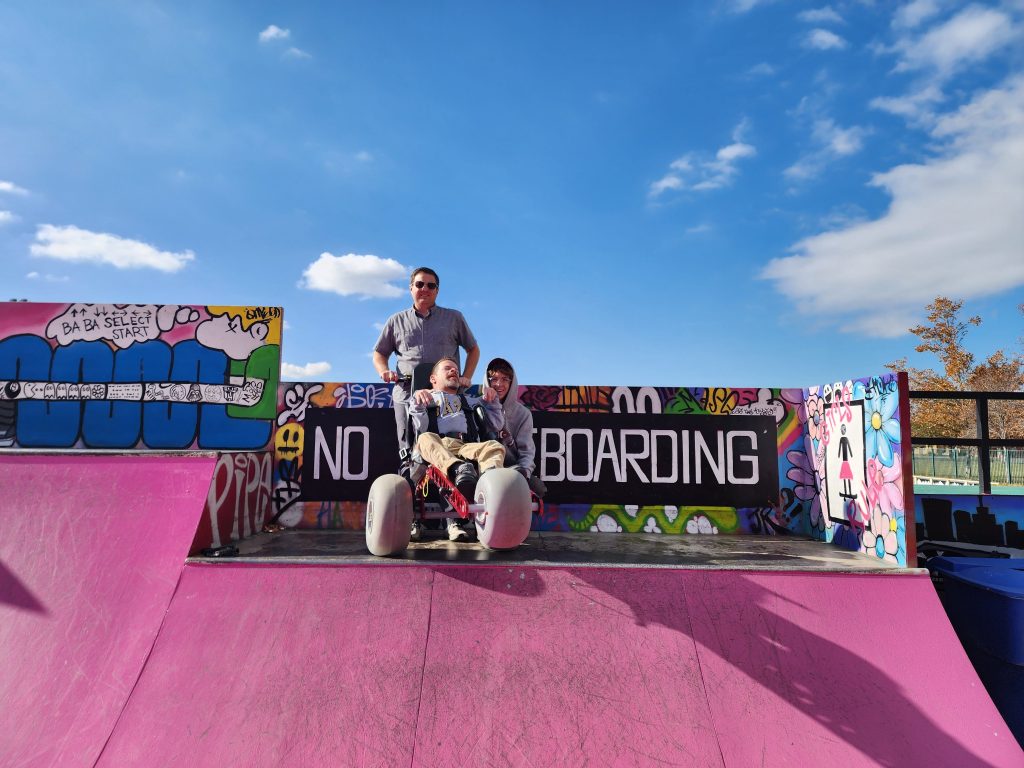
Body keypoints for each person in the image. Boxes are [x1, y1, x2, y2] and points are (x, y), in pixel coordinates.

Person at [372, 266, 480, 457]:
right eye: (419, 284)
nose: (425, 289)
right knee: (409, 449)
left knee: (452, 445)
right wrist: (384, 370)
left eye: (431, 285)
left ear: (437, 290)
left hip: (446, 396)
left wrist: (466, 377)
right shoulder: (395, 320)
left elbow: (473, 349)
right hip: (407, 394)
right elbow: (379, 353)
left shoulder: (454, 318)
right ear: (411, 288)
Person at [409, 358, 505, 541]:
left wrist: (492, 400)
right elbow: (420, 427)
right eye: (447, 369)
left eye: (455, 369)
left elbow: (497, 424)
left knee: (494, 446)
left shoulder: (470, 400)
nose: (454, 371)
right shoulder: (425, 397)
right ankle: (457, 468)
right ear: (433, 378)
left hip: (465, 445)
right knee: (424, 438)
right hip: (439, 445)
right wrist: (417, 400)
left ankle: (492, 487)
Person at [486, 357, 546, 498]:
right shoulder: (476, 406)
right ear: (487, 381)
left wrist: (523, 473)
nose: (499, 384)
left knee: (538, 488)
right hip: (484, 468)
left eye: (505, 379)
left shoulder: (523, 414)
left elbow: (527, 451)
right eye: (494, 379)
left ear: (512, 383)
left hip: (512, 469)